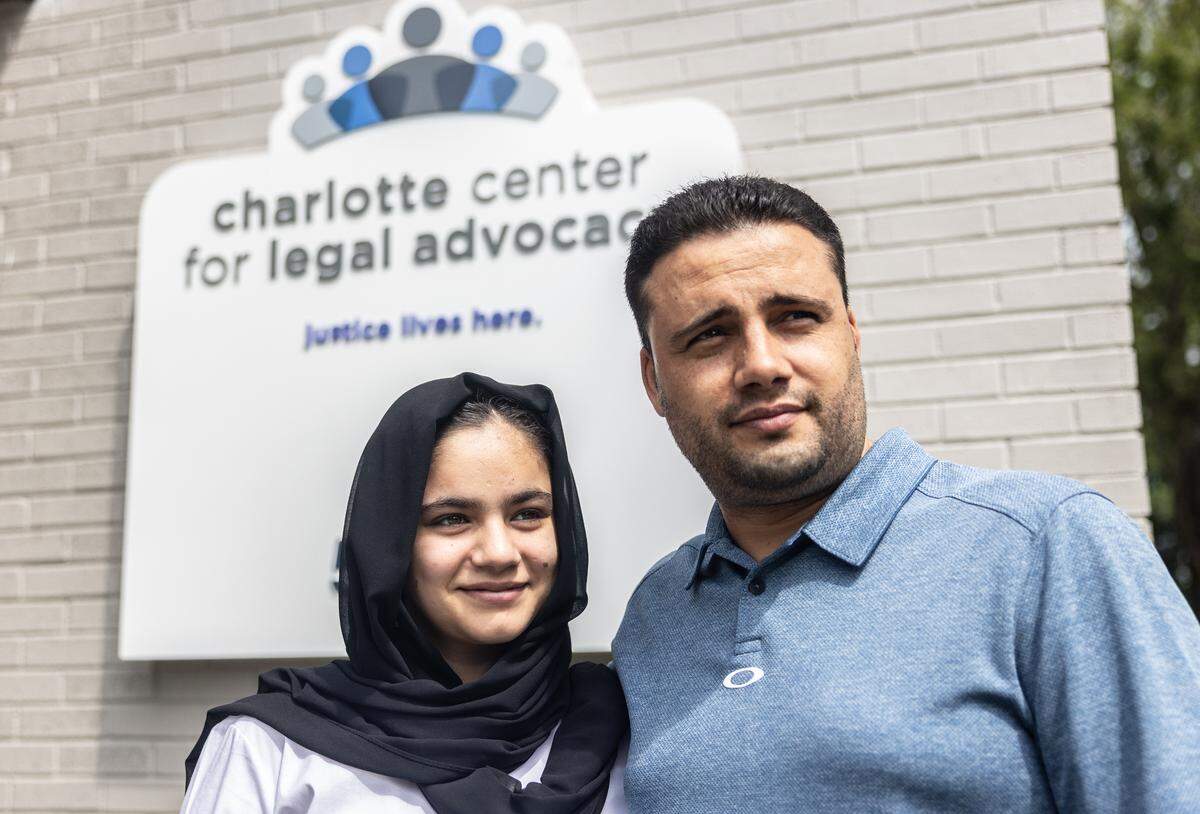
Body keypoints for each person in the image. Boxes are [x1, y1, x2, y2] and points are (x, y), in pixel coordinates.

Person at [612, 175, 1200, 812]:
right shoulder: (655, 615)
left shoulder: (1046, 546)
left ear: (852, 333)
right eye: (710, 335)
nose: (762, 365)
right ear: (654, 381)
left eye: (796, 318)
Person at [182, 373, 628, 813]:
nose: (498, 553)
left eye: (528, 513)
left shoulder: (626, 725)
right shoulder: (269, 751)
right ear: (390, 546)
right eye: (452, 518)